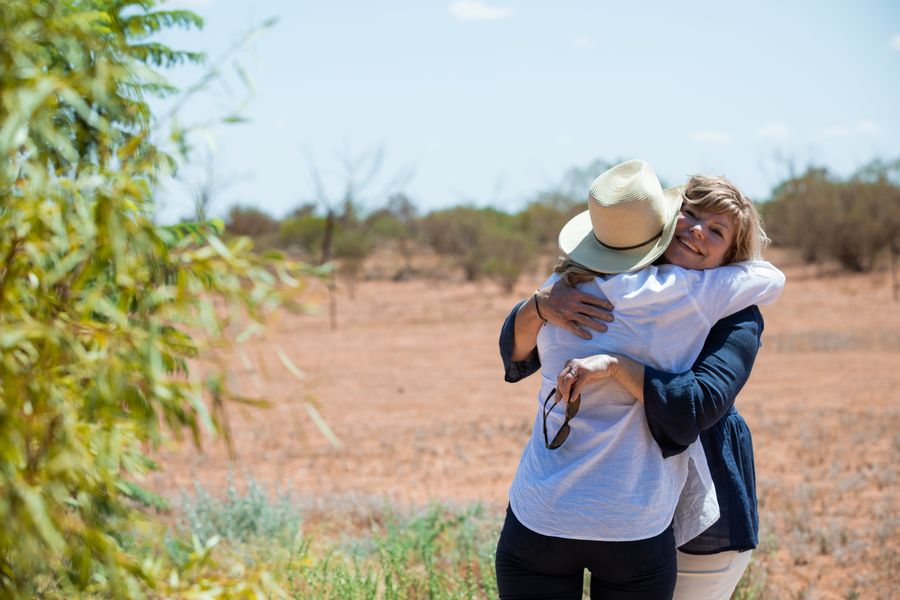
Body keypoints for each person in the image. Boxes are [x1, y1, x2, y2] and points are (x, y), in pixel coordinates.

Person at [494, 160, 784, 599]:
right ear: (665, 220)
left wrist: (614, 365)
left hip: (580, 506)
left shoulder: (576, 282)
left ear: (732, 256)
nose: (697, 230)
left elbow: (699, 404)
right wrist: (538, 305)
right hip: (637, 515)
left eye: (716, 230)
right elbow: (770, 277)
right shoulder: (587, 289)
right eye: (690, 215)